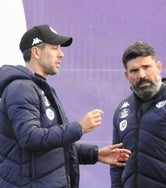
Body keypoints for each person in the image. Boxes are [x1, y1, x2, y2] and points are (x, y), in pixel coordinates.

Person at [0, 24, 131, 188]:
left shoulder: (39, 88)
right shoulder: (21, 88)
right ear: (36, 52)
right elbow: (30, 138)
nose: (61, 54)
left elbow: (53, 148)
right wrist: (79, 128)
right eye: (55, 48)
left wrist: (95, 154)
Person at [110, 41, 166, 187]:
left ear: (158, 67)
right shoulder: (122, 110)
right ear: (126, 75)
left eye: (146, 67)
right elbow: (117, 163)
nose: (142, 75)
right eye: (134, 70)